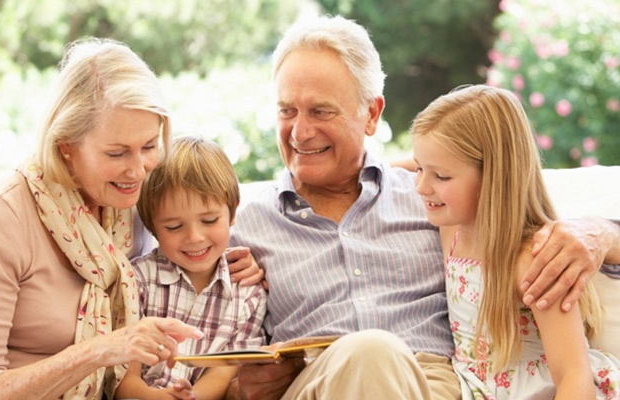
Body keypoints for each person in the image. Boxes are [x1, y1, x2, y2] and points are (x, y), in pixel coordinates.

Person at [227, 15, 620, 400]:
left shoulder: (435, 203)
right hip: (315, 382)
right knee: (370, 353)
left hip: (430, 383)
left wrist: (603, 232)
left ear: (372, 114)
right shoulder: (239, 226)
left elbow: (507, 195)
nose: (299, 132)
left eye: (320, 111)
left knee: (376, 355)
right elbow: (201, 350)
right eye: (286, 111)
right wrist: (236, 388)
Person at [0, 38, 261, 400]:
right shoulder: (0, 218)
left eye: (149, 146)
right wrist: (102, 350)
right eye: (116, 153)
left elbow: (196, 227)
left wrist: (241, 261)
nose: (137, 170)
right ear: (65, 145)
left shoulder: (131, 203)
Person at [411, 84, 620, 399]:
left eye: (440, 176)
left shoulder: (531, 263)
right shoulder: (452, 230)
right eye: (418, 168)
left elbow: (574, 376)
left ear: (493, 178)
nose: (421, 187)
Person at [115, 137, 267, 399]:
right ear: (153, 228)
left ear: (232, 214)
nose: (195, 237)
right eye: (174, 227)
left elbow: (225, 371)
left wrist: (192, 396)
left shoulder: (248, 294)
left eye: (209, 220)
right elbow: (123, 376)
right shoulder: (137, 280)